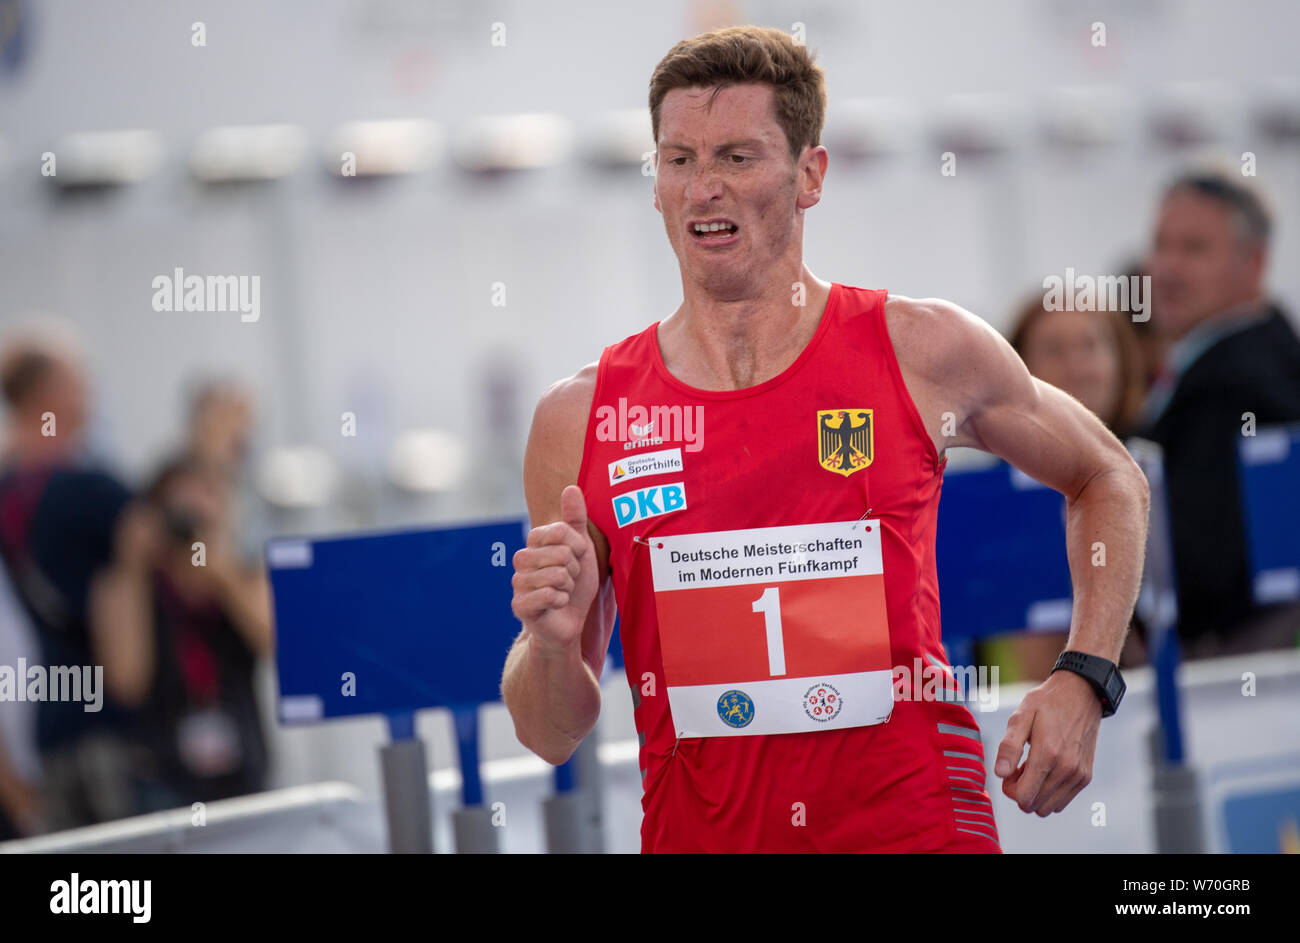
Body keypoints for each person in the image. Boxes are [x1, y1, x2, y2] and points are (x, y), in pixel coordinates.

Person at [502, 26, 1149, 853]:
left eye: (737, 157)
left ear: (810, 175)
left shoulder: (920, 350)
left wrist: (1085, 677)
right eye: (678, 160)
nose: (703, 189)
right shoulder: (581, 417)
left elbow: (1109, 477)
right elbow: (550, 731)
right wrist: (550, 647)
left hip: (917, 829)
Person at [1141, 171, 1300, 657]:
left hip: (1223, 683)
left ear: (1253, 263)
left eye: (1193, 249)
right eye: (1161, 245)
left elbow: (1203, 574)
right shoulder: (1249, 357)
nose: (1167, 268)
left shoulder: (1237, 387)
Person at [0, 331, 135, 832]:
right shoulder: (89, 493)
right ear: (51, 395)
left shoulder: (12, 491)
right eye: (79, 384)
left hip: (44, 731)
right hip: (108, 730)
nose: (89, 398)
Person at [91, 455, 273, 810]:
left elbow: (276, 644)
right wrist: (133, 566)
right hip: (162, 781)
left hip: (245, 775)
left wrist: (219, 568)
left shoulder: (243, 574)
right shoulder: (126, 586)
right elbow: (127, 682)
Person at [990, 294, 1149, 681]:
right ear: (1017, 368)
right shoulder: (999, 498)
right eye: (1054, 350)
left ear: (1121, 362)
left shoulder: (1159, 468)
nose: (1076, 367)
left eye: (1091, 346)